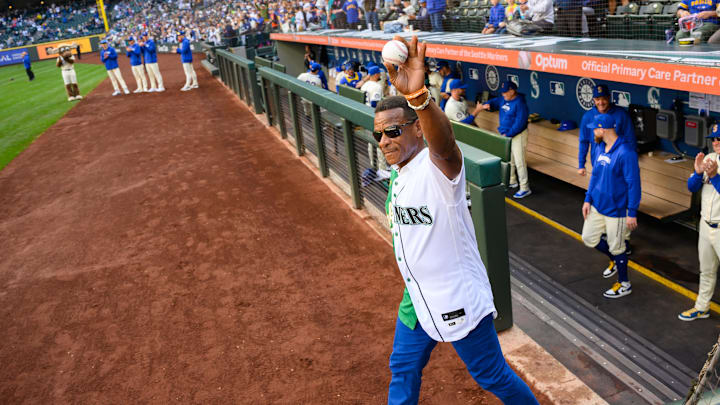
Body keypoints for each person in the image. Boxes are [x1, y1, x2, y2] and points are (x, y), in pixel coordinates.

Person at [377, 35, 539, 405]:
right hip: (415, 298)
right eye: (379, 134)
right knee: (402, 367)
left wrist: (419, 100)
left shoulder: (437, 168)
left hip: (455, 297)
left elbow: (445, 145)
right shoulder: (400, 172)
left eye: (392, 131)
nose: (383, 141)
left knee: (491, 376)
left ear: (417, 129)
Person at [581, 113, 641, 299]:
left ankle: (624, 283)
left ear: (603, 129)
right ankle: (615, 260)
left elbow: (634, 184)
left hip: (617, 211)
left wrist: (632, 212)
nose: (593, 132)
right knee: (588, 238)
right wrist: (587, 199)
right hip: (598, 205)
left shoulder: (626, 152)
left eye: (595, 129)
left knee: (618, 247)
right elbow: (595, 176)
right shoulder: (599, 147)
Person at [679, 126, 720, 320]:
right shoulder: (710, 159)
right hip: (706, 225)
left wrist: (714, 176)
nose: (716, 142)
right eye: (713, 139)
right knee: (706, 270)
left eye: (719, 138)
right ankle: (702, 307)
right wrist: (697, 173)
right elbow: (691, 187)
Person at [481, 81, 531, 198]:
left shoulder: (520, 103)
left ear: (512, 91)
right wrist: (488, 103)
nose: (503, 94)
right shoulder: (503, 99)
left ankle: (525, 187)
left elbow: (520, 123)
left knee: (520, 162)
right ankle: (512, 181)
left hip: (517, 135)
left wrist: (508, 134)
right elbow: (495, 101)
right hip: (506, 134)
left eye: (505, 92)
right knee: (510, 160)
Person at [578, 84, 636, 177]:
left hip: (618, 164)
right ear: (593, 99)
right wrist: (581, 165)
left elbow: (630, 140)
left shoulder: (621, 114)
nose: (600, 102)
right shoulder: (588, 117)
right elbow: (583, 142)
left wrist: (631, 164)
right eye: (597, 99)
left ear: (609, 98)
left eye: (603, 98)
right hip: (598, 164)